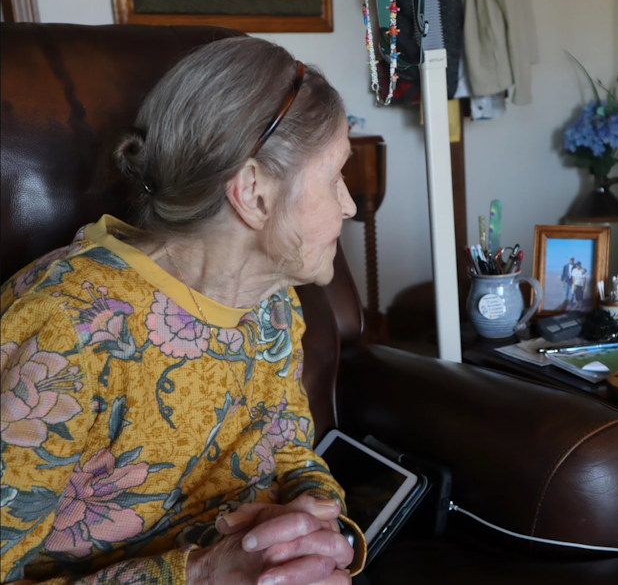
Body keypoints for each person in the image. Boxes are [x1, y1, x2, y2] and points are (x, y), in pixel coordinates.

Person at [1, 38, 362, 585]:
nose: (350, 205)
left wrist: (312, 523)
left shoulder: (274, 302)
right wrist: (200, 574)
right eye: (335, 176)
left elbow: (286, 449)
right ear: (254, 193)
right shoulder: (65, 329)